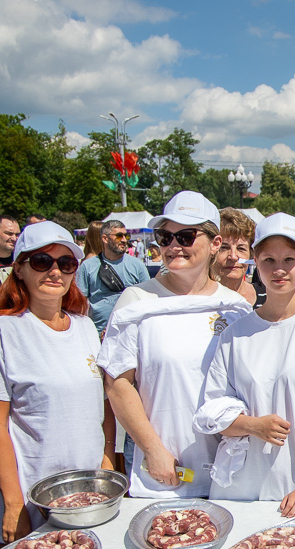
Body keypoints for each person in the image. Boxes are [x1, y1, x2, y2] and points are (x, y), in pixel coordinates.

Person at [97, 191, 251, 498]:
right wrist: (153, 449)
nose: (173, 246)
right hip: (166, 475)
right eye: (165, 237)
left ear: (215, 244)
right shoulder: (137, 301)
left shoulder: (235, 306)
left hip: (232, 473)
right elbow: (118, 385)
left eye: (185, 236)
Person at [0, 221, 113, 546]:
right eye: (41, 262)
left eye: (66, 264)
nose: (55, 272)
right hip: (32, 498)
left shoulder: (85, 327)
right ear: (19, 269)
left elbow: (102, 406)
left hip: (88, 496)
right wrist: (12, 502)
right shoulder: (0, 331)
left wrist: (107, 462)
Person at [194, 213, 295, 512]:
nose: (279, 270)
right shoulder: (235, 334)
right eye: (268, 260)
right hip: (237, 489)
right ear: (256, 262)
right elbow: (211, 411)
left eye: (288, 259)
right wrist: (252, 425)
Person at [75, 218, 150, 333]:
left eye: (126, 236)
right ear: (105, 238)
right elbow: (79, 303)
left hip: (131, 332)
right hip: (98, 333)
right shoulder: (88, 266)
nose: (124, 240)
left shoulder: (137, 265)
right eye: (119, 236)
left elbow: (148, 299)